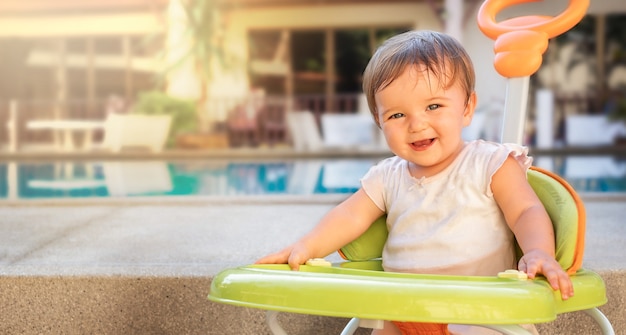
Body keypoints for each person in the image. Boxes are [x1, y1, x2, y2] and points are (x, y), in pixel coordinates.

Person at [256, 30, 574, 335]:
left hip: (481, 314)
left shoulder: (490, 163)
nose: (417, 124)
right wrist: (306, 247)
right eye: (396, 116)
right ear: (379, 121)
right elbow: (348, 216)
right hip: (403, 311)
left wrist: (538, 252)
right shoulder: (387, 176)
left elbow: (525, 211)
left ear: (467, 108)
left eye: (433, 106)